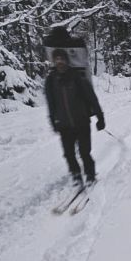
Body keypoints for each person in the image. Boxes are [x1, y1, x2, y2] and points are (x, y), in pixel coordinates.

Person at [43, 28, 105, 186]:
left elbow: (91, 98)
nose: (59, 62)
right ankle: (77, 176)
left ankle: (90, 175)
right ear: (54, 61)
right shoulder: (51, 80)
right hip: (64, 125)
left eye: (62, 59)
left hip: (82, 122)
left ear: (66, 60)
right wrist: (53, 120)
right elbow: (51, 103)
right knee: (69, 154)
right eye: (56, 60)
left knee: (85, 152)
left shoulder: (77, 78)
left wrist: (100, 117)